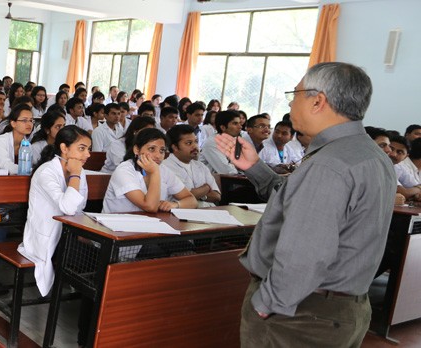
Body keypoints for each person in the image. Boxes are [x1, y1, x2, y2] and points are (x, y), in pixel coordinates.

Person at [214, 62, 392, 347]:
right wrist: (256, 168)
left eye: (294, 95)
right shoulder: (368, 153)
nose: (291, 103)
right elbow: (300, 201)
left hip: (301, 314)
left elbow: (305, 252)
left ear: (318, 101)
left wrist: (267, 303)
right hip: (340, 308)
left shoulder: (329, 164)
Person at [16, 126, 91, 344]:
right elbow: (69, 207)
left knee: (96, 263)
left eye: (88, 149)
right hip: (47, 238)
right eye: (82, 148)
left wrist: (76, 175)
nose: (87, 155)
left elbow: (79, 205)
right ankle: (85, 335)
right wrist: (75, 175)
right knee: (93, 270)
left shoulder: (80, 171)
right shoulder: (46, 172)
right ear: (64, 148)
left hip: (67, 234)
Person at [102, 128, 197, 213]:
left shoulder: (163, 170)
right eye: (152, 149)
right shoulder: (124, 171)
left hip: (150, 225)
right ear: (136, 150)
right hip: (116, 227)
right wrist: (155, 173)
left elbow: (191, 200)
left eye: (162, 150)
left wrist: (176, 204)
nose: (158, 155)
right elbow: (150, 207)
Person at [163, 125, 221, 207]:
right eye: (189, 143)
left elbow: (216, 196)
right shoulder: (166, 167)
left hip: (208, 212)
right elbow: (183, 196)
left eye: (196, 141)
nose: (195, 146)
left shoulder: (200, 166)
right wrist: (207, 188)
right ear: (175, 147)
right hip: (181, 215)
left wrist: (201, 195)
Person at [0, 104, 34, 174]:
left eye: (31, 120)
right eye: (24, 120)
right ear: (13, 123)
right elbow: (5, 165)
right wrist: (30, 170)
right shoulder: (0, 141)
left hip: (17, 182)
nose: (29, 124)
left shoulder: (28, 145)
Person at [200, 110, 241, 175]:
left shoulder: (235, 141)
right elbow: (226, 171)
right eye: (235, 123)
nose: (240, 127)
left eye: (240, 123)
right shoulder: (213, 143)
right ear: (223, 127)